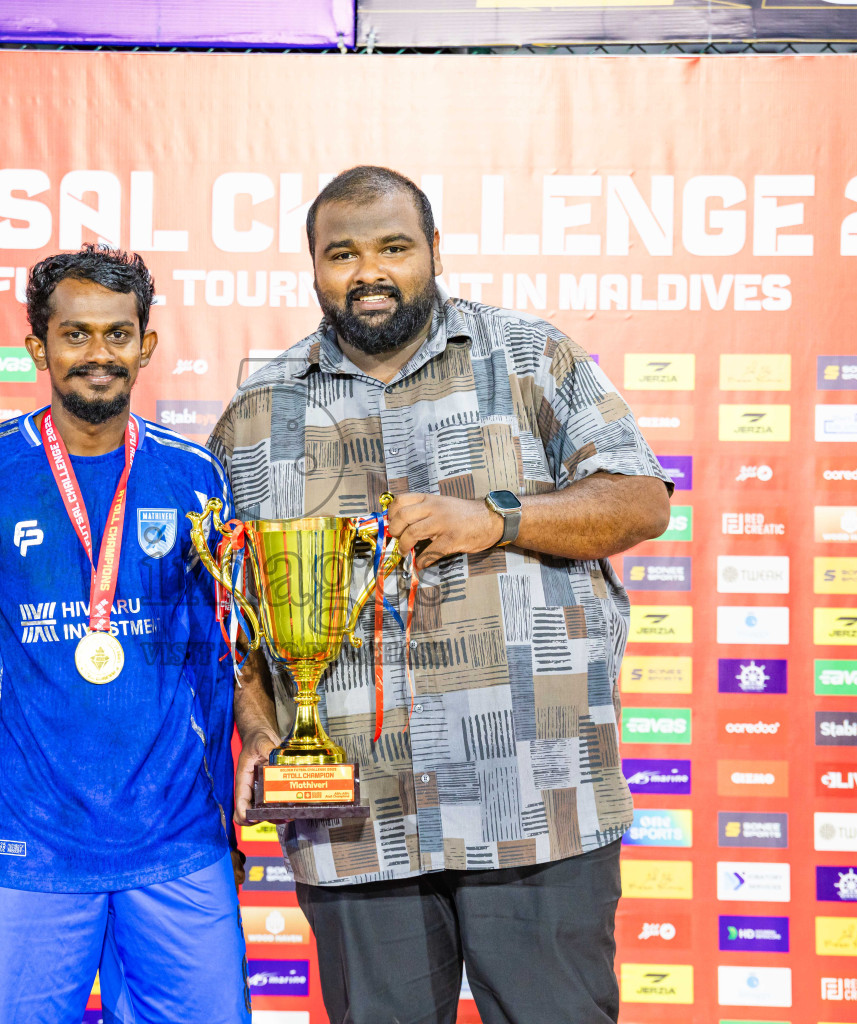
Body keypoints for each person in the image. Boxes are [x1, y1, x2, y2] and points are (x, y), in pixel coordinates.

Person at [209, 166, 673, 1024]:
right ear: (312, 268)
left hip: (535, 793)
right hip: (353, 810)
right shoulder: (254, 412)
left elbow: (640, 499)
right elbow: (227, 613)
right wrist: (261, 727)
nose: (367, 271)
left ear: (433, 251)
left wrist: (496, 519)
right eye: (340, 253)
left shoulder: (530, 357)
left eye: (393, 247)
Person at [0, 245, 250, 1024]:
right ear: (39, 347)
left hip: (178, 836)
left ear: (146, 345)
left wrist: (223, 811)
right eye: (75, 335)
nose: (99, 355)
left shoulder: (194, 475)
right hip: (31, 836)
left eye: (117, 335)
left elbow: (215, 663)